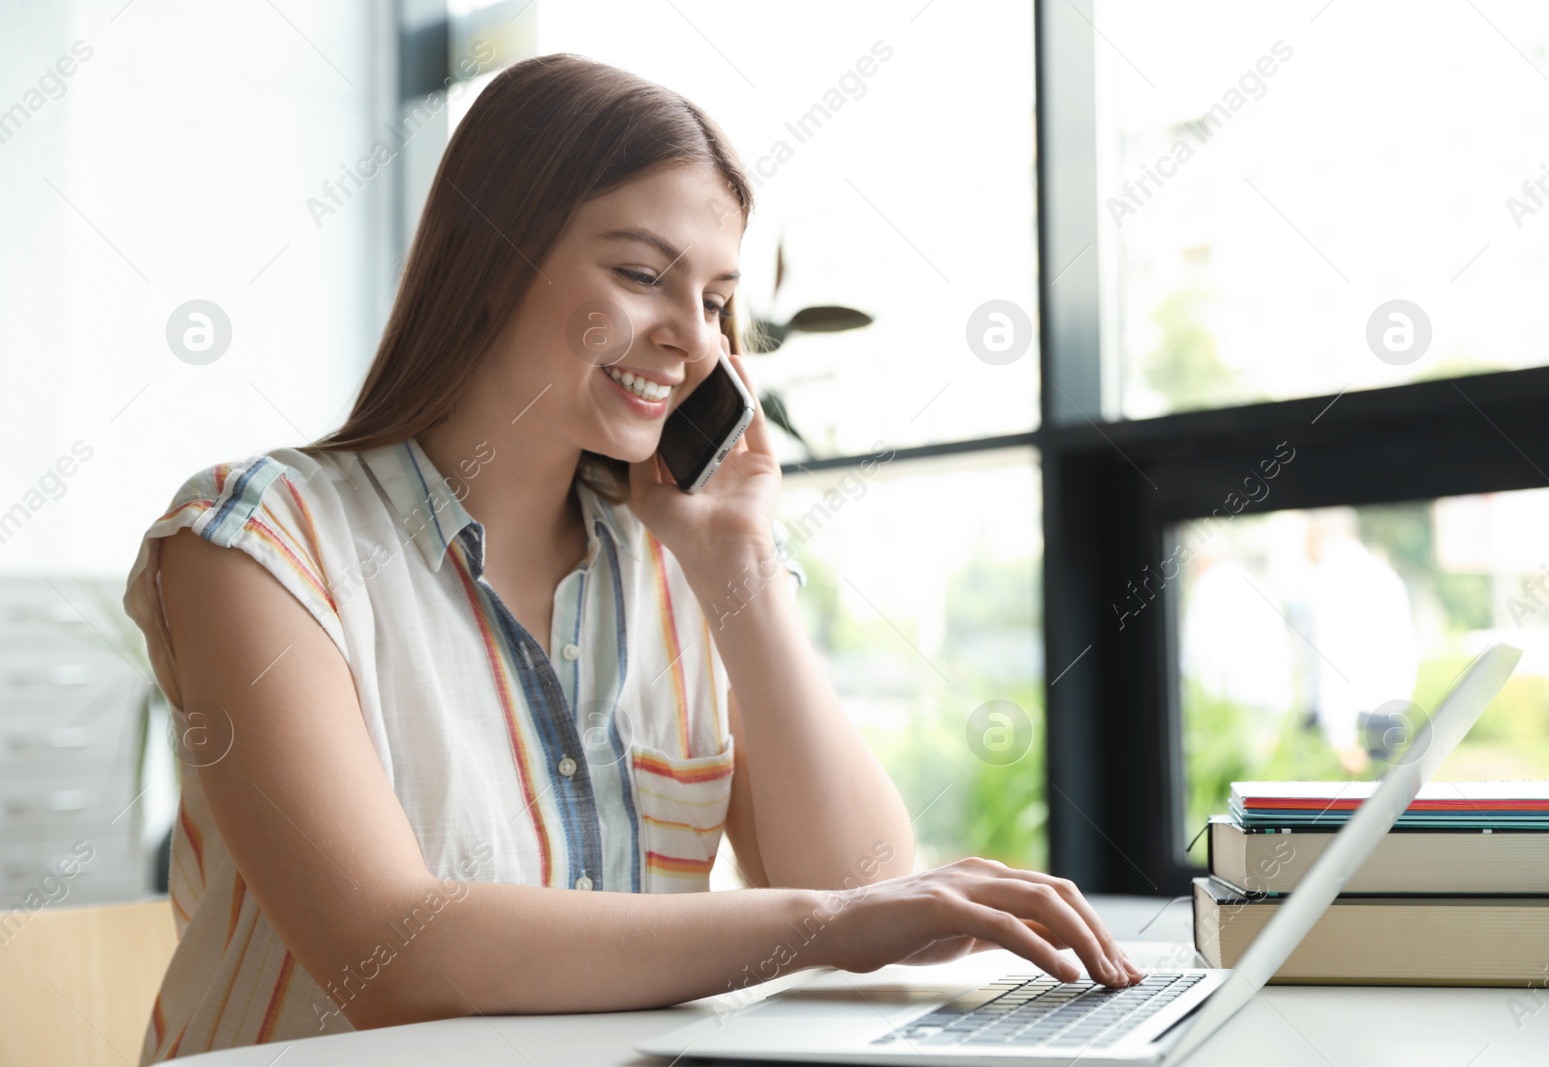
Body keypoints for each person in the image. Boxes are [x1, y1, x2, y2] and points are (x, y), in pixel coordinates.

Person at [122, 54, 1140, 1064]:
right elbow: (392, 953)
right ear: (491, 258)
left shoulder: (676, 564)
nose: (691, 340)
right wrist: (827, 919)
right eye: (643, 274)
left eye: (714, 300)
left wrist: (735, 566)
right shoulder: (258, 538)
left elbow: (861, 878)